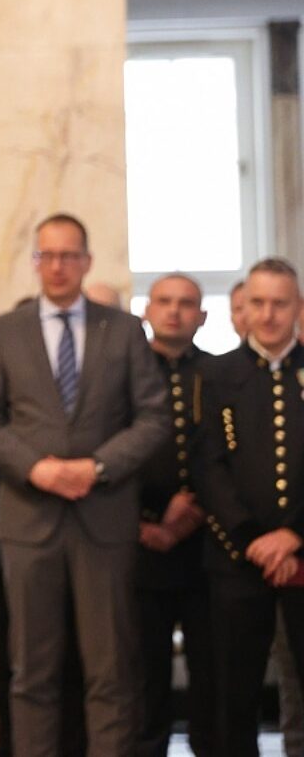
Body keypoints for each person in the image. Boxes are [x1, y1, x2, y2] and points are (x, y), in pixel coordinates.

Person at [0, 213, 169, 757]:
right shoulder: (5, 331)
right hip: (29, 520)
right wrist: (35, 468)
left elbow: (154, 418)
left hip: (105, 519)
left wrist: (96, 467)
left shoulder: (122, 330)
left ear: (86, 261)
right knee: (32, 672)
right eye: (47, 255)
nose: (58, 266)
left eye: (69, 255)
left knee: (111, 670)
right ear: (35, 261)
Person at [192, 258, 304, 757]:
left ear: (298, 308)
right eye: (258, 302)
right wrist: (253, 540)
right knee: (234, 696)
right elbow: (209, 467)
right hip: (237, 559)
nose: (268, 314)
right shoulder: (217, 374)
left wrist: (294, 534)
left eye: (280, 303)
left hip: (302, 556)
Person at [136, 273, 215, 757]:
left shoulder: (218, 372)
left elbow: (228, 456)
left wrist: (197, 511)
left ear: (201, 316)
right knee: (146, 674)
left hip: (204, 546)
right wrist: (144, 523)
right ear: (147, 311)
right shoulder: (124, 371)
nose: (174, 311)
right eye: (164, 301)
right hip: (138, 545)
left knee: (210, 672)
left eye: (186, 303)